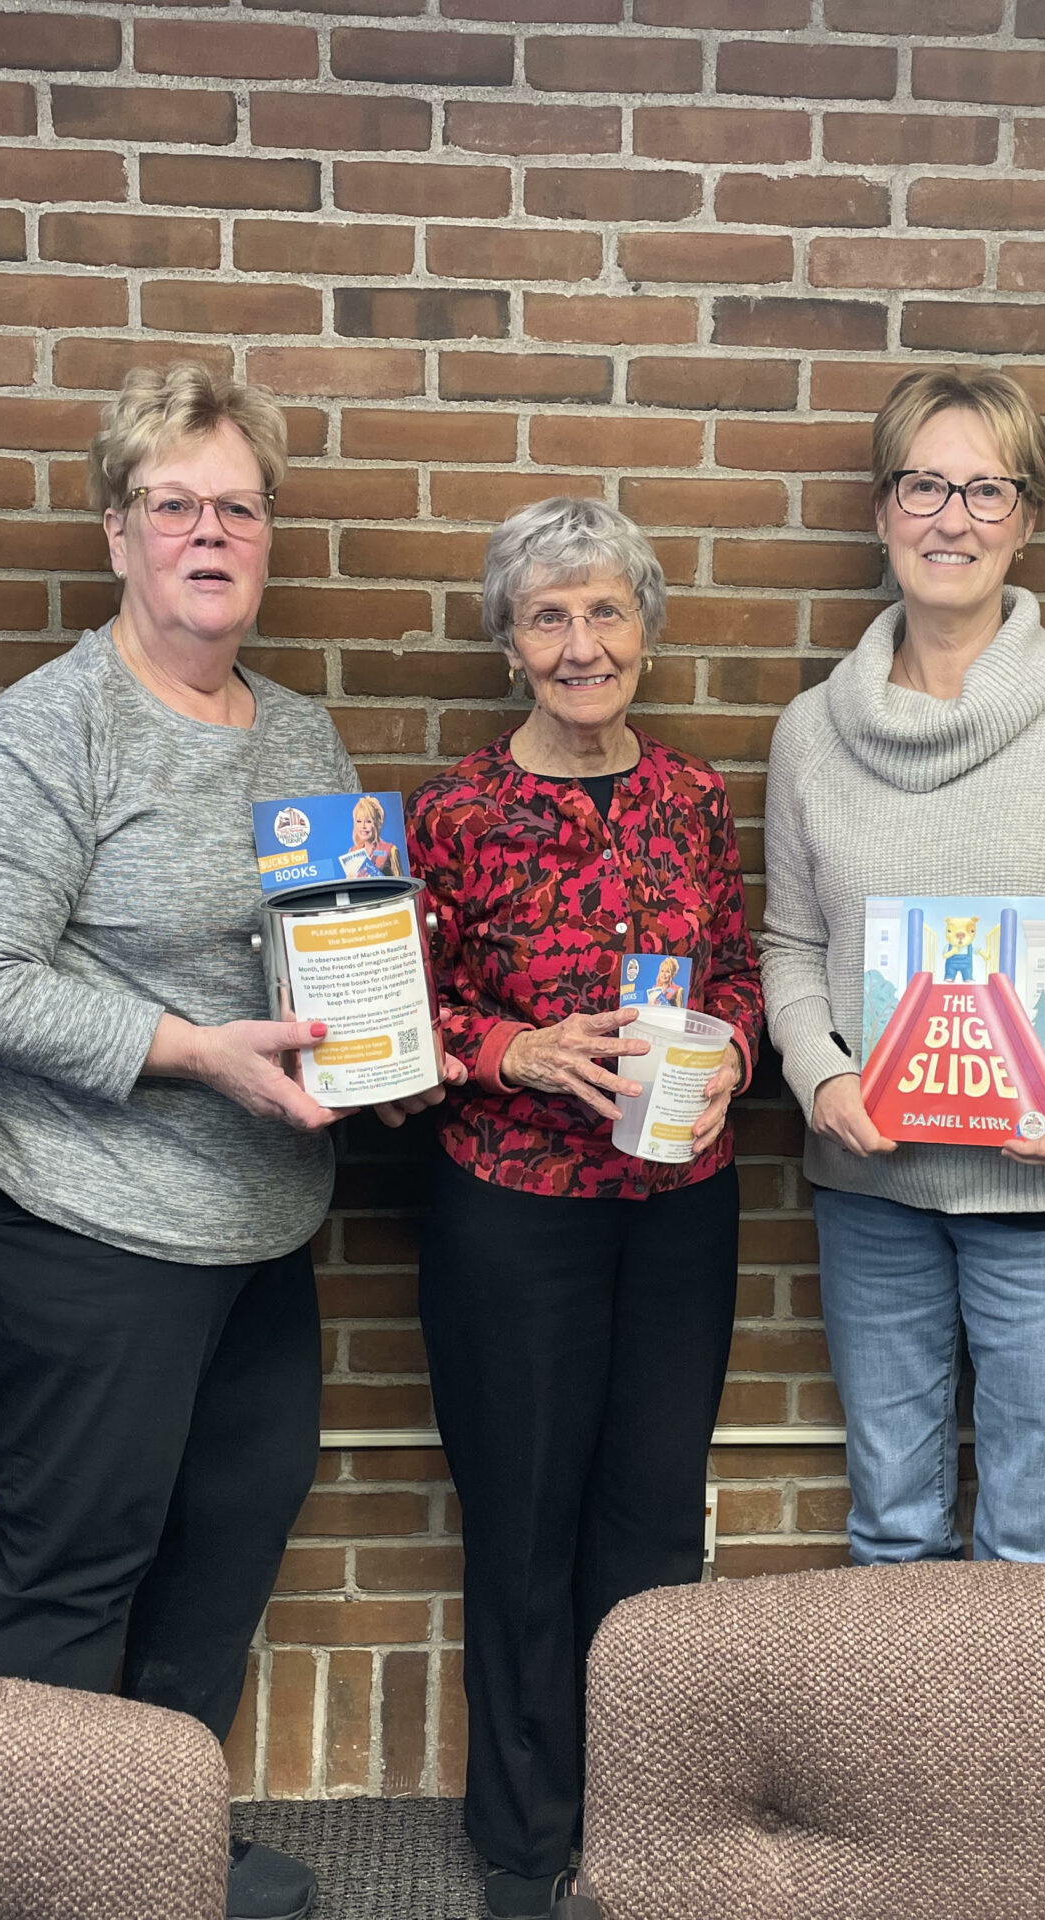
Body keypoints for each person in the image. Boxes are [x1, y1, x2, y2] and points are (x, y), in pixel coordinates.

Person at [0, 364, 446, 1920]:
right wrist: (190, 1053)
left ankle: (143, 1863)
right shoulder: (54, 727)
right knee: (79, 1571)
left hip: (257, 1226)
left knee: (225, 1552)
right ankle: (13, 1890)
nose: (210, 532)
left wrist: (388, 1059)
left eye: (238, 507)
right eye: (175, 505)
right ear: (120, 535)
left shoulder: (301, 732)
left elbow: (328, 956)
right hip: (72, 1223)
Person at [759, 368, 1045, 1573]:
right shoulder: (810, 733)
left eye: (986, 490)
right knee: (890, 1523)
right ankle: (898, 1770)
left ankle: (1027, 1769)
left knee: (1041, 1530)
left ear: (1028, 517)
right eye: (924, 485)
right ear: (881, 509)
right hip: (874, 1190)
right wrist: (817, 1077)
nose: (952, 519)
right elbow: (790, 949)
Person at [410, 496, 763, 1919]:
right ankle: (521, 1840)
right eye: (548, 615)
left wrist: (734, 1047)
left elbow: (737, 968)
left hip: (682, 1205)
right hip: (515, 1209)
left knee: (653, 1523)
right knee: (524, 1526)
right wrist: (515, 1050)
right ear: (508, 639)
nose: (580, 643)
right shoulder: (453, 814)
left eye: (605, 610)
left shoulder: (692, 797)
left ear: (646, 630)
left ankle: (644, 1826)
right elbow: (390, 1022)